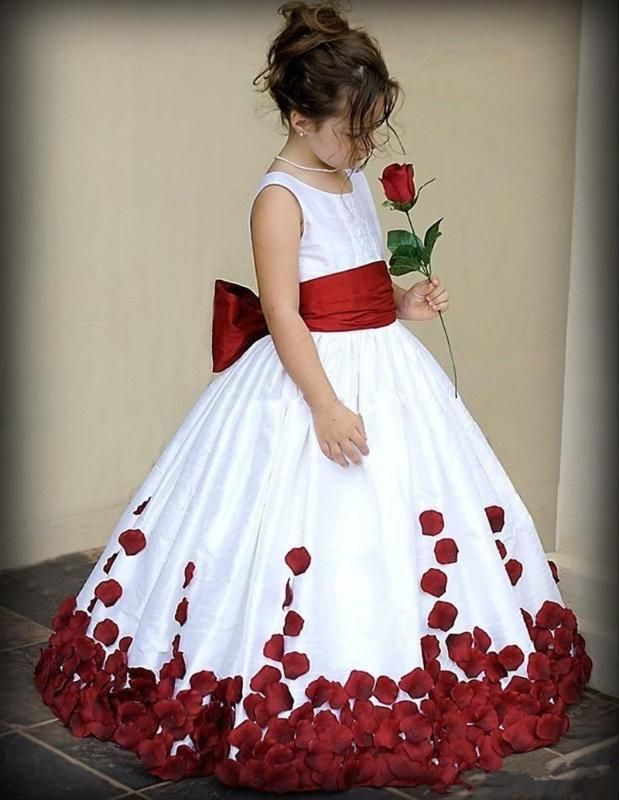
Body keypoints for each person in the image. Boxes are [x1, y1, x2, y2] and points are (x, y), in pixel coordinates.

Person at [33, 0, 592, 793]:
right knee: (293, 529)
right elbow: (288, 312)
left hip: (383, 364)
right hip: (309, 380)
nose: (361, 145)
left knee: (405, 519)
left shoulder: (353, 179)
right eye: (349, 129)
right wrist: (326, 406)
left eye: (370, 130)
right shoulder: (278, 196)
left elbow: (353, 283)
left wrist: (401, 304)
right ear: (298, 114)